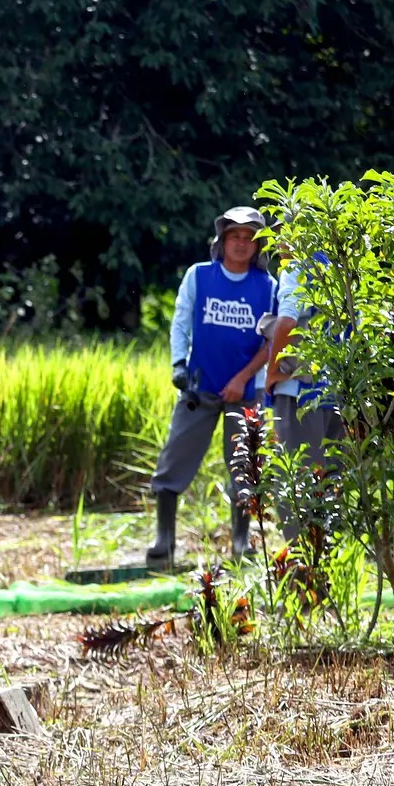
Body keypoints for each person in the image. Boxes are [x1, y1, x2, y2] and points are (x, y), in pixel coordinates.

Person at [146, 207, 276, 564]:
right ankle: (165, 540)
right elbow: (181, 322)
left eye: (249, 238)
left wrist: (243, 378)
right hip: (199, 385)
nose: (241, 243)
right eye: (234, 236)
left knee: (244, 464)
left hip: (245, 390)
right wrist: (178, 364)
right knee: (176, 456)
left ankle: (240, 542)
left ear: (258, 246)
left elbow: (271, 342)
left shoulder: (268, 288)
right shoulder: (199, 276)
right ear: (222, 241)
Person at [263, 222, 345, 537]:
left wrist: (272, 371)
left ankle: (304, 575)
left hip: (300, 392)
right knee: (330, 488)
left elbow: (286, 323)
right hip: (336, 394)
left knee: (297, 487)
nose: (279, 241)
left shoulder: (298, 269)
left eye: (283, 231)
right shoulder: (338, 271)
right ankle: (325, 570)